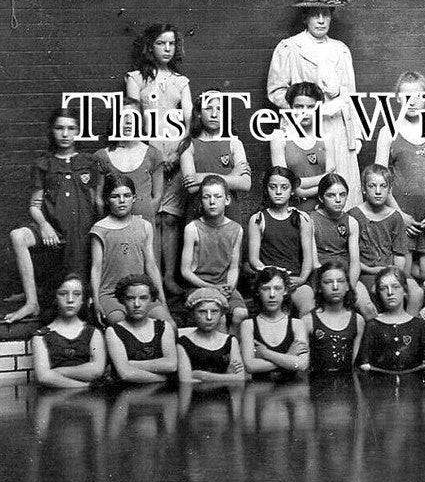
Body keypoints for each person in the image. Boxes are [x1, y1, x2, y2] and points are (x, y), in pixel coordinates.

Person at [266, 0, 362, 204]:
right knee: (307, 194)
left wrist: (356, 135)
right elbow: (276, 91)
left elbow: (350, 95)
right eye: (315, 14)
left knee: (339, 190)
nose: (321, 20)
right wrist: (302, 109)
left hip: (337, 127)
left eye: (326, 14)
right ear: (305, 17)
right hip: (305, 126)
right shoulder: (290, 47)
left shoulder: (340, 49)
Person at [4, 108, 102, 324]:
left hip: (81, 233)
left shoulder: (88, 162)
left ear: (78, 131)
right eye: (59, 128)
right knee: (18, 236)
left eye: (71, 128)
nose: (65, 134)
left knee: (78, 292)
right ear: (52, 131)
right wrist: (44, 225)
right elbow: (34, 206)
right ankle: (32, 302)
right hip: (54, 231)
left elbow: (97, 202)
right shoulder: (44, 164)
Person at [125, 23, 192, 296]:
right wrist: (151, 156)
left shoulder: (181, 81)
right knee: (150, 218)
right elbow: (131, 116)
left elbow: (190, 121)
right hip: (148, 159)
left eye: (171, 44)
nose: (167, 49)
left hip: (175, 158)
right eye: (161, 43)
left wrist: (177, 153)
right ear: (150, 47)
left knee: (171, 220)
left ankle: (168, 278)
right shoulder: (136, 79)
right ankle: (149, 279)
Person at [375, 71, 425, 281]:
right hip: (402, 217)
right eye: (406, 96)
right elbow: (378, 180)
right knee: (403, 277)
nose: (412, 101)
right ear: (398, 98)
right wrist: (399, 215)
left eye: (418, 95)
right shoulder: (388, 132)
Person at [91, 173, 169, 326]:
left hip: (139, 293)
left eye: (126, 196)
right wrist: (95, 301)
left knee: (168, 325)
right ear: (107, 199)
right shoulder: (100, 229)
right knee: (124, 328)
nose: (121, 201)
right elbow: (96, 268)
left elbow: (151, 265)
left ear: (134, 198)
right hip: (111, 295)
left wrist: (162, 299)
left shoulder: (144, 226)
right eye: (115, 196)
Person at [351, 164, 421, 315]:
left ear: (389, 190)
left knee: (416, 292)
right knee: (377, 295)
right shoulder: (354, 216)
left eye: (383, 186)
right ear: (364, 188)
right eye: (372, 186)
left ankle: (406, 327)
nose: (378, 191)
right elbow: (352, 257)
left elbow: (400, 255)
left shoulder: (395, 217)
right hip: (365, 273)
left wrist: (393, 272)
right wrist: (371, 270)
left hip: (392, 272)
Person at [180, 175, 248, 329]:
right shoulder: (192, 228)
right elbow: (185, 271)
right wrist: (210, 288)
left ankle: (232, 349)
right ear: (201, 201)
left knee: (241, 314)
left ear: (227, 200)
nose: (212, 202)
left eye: (217, 196)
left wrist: (229, 287)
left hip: (223, 286)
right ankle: (219, 351)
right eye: (206, 197)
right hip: (198, 286)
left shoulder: (236, 229)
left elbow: (233, 267)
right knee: (219, 317)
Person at [246, 167, 316, 314]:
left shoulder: (302, 218)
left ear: (292, 190)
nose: (278, 192)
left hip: (294, 280)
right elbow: (253, 260)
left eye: (284, 187)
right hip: (269, 280)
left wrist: (302, 279)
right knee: (275, 309)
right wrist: (274, 276)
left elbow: (308, 258)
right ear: (266, 189)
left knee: (307, 304)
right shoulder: (258, 219)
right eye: (273, 187)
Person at [179, 89, 252, 224]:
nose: (214, 114)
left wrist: (202, 177)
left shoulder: (234, 143)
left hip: (229, 213)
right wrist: (232, 176)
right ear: (199, 113)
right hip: (198, 214)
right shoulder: (188, 145)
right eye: (208, 108)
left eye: (219, 109)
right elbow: (192, 186)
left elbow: (246, 184)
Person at [93, 100, 164, 224]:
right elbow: (98, 199)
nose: (128, 121)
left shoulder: (153, 154)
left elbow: (157, 196)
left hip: (143, 227)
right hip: (113, 229)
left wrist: (144, 219)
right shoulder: (102, 156)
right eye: (123, 116)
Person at [30, 273, 107, 388]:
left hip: (89, 402)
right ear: (55, 298)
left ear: (83, 300)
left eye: (76, 294)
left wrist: (56, 373)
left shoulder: (93, 333)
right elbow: (43, 377)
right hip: (53, 400)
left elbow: (96, 369)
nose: (70, 300)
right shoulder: (40, 336)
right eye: (63, 294)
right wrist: (84, 386)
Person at [359, 267, 425, 373]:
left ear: (405, 290)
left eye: (395, 287)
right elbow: (363, 364)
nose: (390, 292)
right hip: (381, 386)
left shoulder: (419, 325)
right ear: (378, 293)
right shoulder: (373, 326)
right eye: (383, 288)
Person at [104, 273, 178, 383]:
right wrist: (164, 379)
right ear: (122, 300)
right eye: (130, 298)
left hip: (161, 396)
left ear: (152, 299)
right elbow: (125, 374)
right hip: (129, 394)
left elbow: (171, 365)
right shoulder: (114, 331)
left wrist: (130, 364)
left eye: (143, 298)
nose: (137, 304)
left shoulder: (163, 326)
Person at [240, 266, 310, 378]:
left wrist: (265, 354)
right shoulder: (248, 325)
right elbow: (250, 366)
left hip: (291, 391)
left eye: (277, 288)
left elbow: (301, 364)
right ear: (258, 291)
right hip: (261, 392)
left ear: (286, 291)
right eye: (266, 288)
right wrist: (288, 356)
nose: (272, 294)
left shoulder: (297, 324)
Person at [269, 81, 328, 212]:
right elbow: (283, 182)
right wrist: (321, 184)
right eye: (299, 107)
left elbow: (332, 178)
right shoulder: (279, 137)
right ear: (290, 107)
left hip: (324, 209)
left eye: (311, 107)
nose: (305, 112)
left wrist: (300, 187)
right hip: (291, 210)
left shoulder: (326, 137)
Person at [310, 173, 363, 314]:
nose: (338, 200)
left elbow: (355, 262)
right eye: (331, 195)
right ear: (321, 197)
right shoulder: (311, 220)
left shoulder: (351, 222)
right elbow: (314, 263)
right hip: (322, 277)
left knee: (367, 307)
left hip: (345, 276)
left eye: (342, 194)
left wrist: (350, 286)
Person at [176, 287, 247, 384]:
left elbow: (240, 377)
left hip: (225, 397)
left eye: (214, 311)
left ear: (221, 313)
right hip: (197, 397)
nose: (209, 317)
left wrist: (204, 376)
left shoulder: (230, 341)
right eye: (202, 311)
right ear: (192, 314)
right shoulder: (184, 343)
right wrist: (227, 376)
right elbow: (186, 381)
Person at [307, 261, 365, 373]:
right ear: (319, 287)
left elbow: (354, 366)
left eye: (340, 281)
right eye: (328, 282)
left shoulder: (358, 320)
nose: (335, 287)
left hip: (347, 385)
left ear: (348, 285)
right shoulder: (308, 321)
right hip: (317, 385)